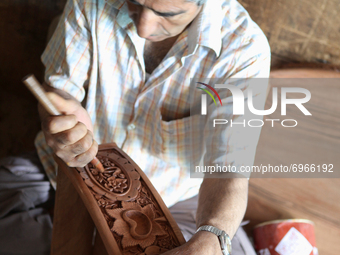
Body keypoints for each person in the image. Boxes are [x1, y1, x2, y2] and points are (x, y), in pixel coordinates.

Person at [0, 0, 270, 254]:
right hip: (63, 171)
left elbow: (228, 168)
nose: (144, 27)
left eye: (167, 14)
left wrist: (211, 237)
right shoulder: (91, 3)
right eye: (135, 2)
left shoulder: (244, 49)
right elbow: (59, 93)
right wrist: (60, 121)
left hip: (171, 199)